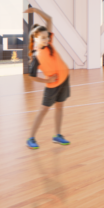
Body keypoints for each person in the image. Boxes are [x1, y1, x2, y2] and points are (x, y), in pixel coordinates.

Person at [23, 8, 71, 150]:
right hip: (52, 85)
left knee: (60, 107)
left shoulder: (49, 45)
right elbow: (32, 76)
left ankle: (57, 135)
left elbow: (49, 19)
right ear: (35, 38)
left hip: (64, 80)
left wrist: (36, 10)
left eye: (47, 36)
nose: (47, 39)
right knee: (44, 110)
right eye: (43, 37)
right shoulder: (36, 56)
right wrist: (47, 81)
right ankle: (31, 137)